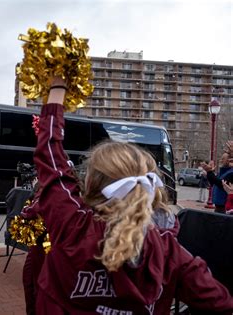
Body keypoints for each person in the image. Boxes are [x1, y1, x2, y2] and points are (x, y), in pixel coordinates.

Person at [31, 77, 233, 314]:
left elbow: (50, 155)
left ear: (92, 183)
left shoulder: (72, 225)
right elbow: (220, 302)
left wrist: (57, 88)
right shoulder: (168, 251)